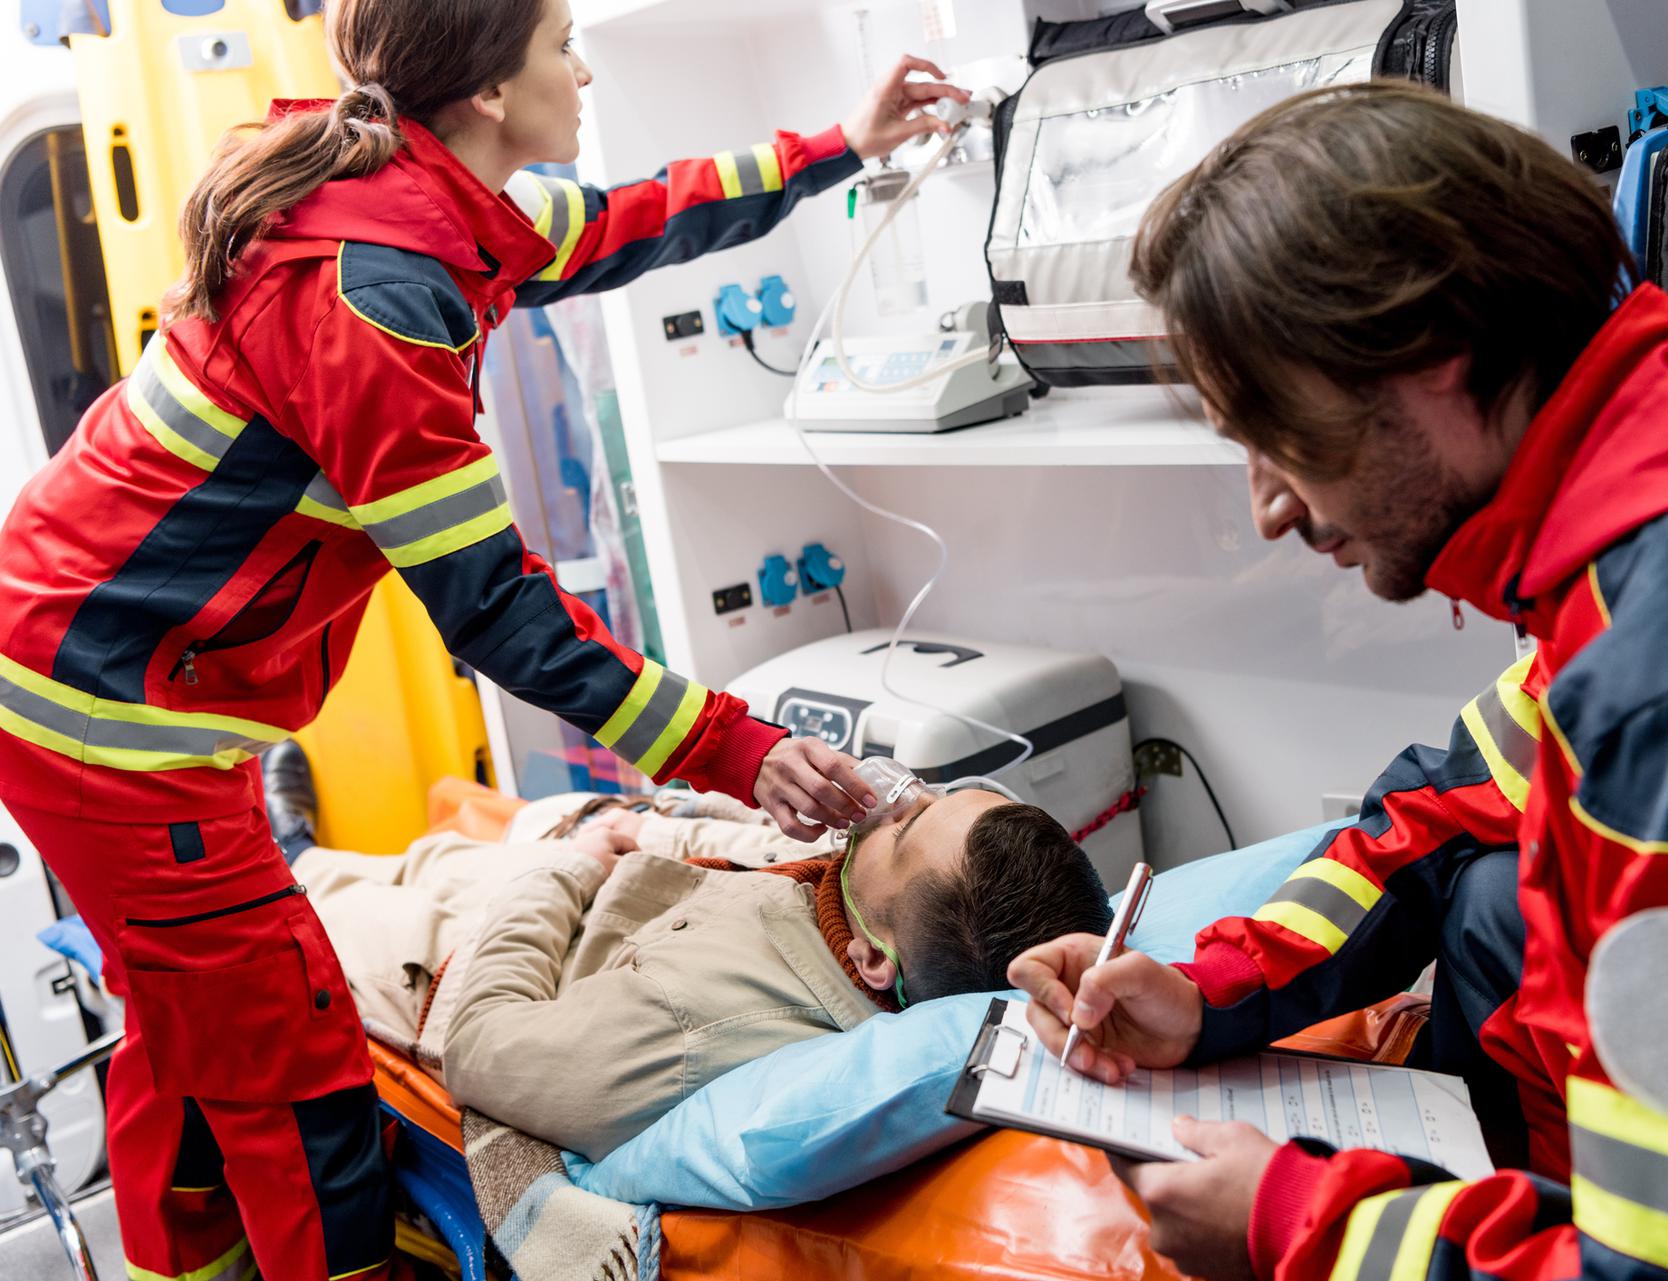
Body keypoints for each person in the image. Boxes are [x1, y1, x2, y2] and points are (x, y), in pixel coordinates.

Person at [0, 0, 966, 1269]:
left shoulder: (416, 200)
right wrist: (729, 748)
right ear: (490, 94)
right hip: (113, 724)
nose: (578, 66)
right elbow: (491, 601)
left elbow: (639, 216)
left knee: (188, 1025)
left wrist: (840, 142)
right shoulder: (377, 296)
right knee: (292, 1051)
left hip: (104, 681)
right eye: (560, 41)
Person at [1011, 81, 1668, 1281]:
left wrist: (1315, 1233)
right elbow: (1448, 800)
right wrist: (1206, 991)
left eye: (1279, 433)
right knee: (1491, 895)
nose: (1271, 505)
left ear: (1432, 356)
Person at [289, 780, 1113, 1159]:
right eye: (930, 794)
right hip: (591, 877)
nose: (897, 800)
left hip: (450, 955)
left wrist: (568, 868)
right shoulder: (859, 915)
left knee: (309, 890)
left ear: (871, 957)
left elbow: (480, 1040)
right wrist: (639, 830)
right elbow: (763, 863)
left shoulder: (694, 1026)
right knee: (442, 843)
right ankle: (302, 839)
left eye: (908, 825)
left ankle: (290, 844)